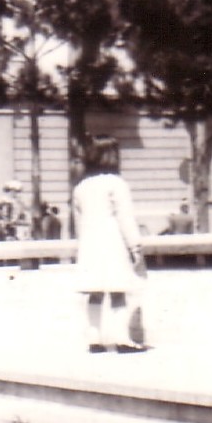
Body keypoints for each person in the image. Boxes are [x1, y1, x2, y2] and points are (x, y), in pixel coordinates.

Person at [72, 134, 147, 354]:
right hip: (113, 242)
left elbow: (78, 221)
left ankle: (94, 339)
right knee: (118, 291)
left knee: (95, 292)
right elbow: (125, 217)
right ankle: (122, 339)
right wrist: (135, 246)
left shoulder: (81, 187)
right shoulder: (117, 184)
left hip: (90, 243)